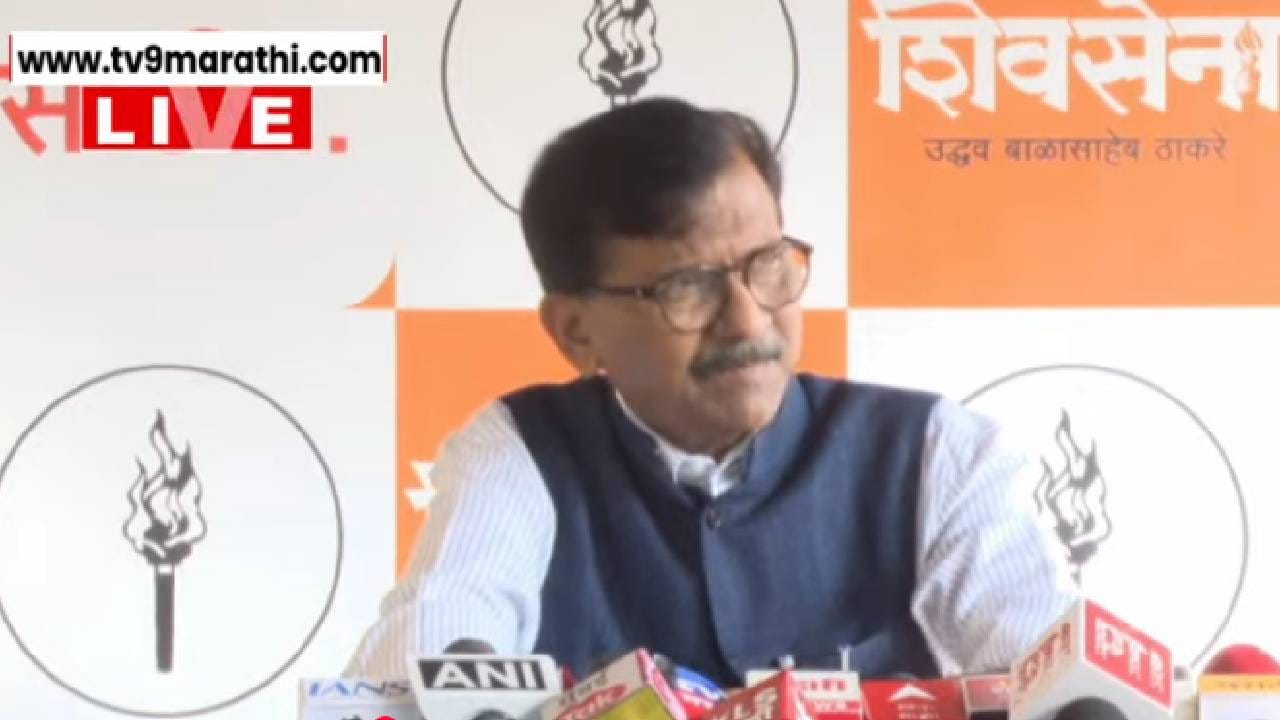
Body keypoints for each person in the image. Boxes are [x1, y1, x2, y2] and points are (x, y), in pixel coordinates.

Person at [344, 97, 1078, 686]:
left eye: (768, 263)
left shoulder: (932, 450)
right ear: (576, 330)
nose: (749, 320)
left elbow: (1055, 672)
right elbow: (424, 651)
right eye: (687, 288)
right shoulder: (523, 452)